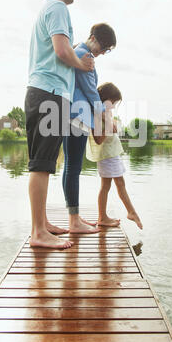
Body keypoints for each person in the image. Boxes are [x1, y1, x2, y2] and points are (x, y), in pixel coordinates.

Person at [25, 0, 94, 249]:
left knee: (46, 163)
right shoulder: (57, 8)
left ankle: (41, 225)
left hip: (48, 93)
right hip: (49, 93)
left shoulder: (50, 10)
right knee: (41, 165)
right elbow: (62, 51)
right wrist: (83, 64)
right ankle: (38, 233)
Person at [62, 24, 118, 232]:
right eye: (103, 47)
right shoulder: (84, 55)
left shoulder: (76, 52)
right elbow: (91, 92)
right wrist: (105, 118)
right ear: (93, 38)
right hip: (78, 116)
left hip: (70, 114)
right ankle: (74, 221)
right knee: (73, 168)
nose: (102, 52)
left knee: (70, 167)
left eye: (107, 50)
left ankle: (73, 217)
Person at [86, 82, 143, 229]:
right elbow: (98, 139)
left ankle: (118, 214)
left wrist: (113, 125)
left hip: (112, 153)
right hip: (106, 155)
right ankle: (114, 215)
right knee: (110, 185)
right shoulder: (98, 114)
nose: (113, 106)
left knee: (113, 184)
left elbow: (110, 129)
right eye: (112, 102)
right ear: (105, 99)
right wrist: (109, 128)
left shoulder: (106, 113)